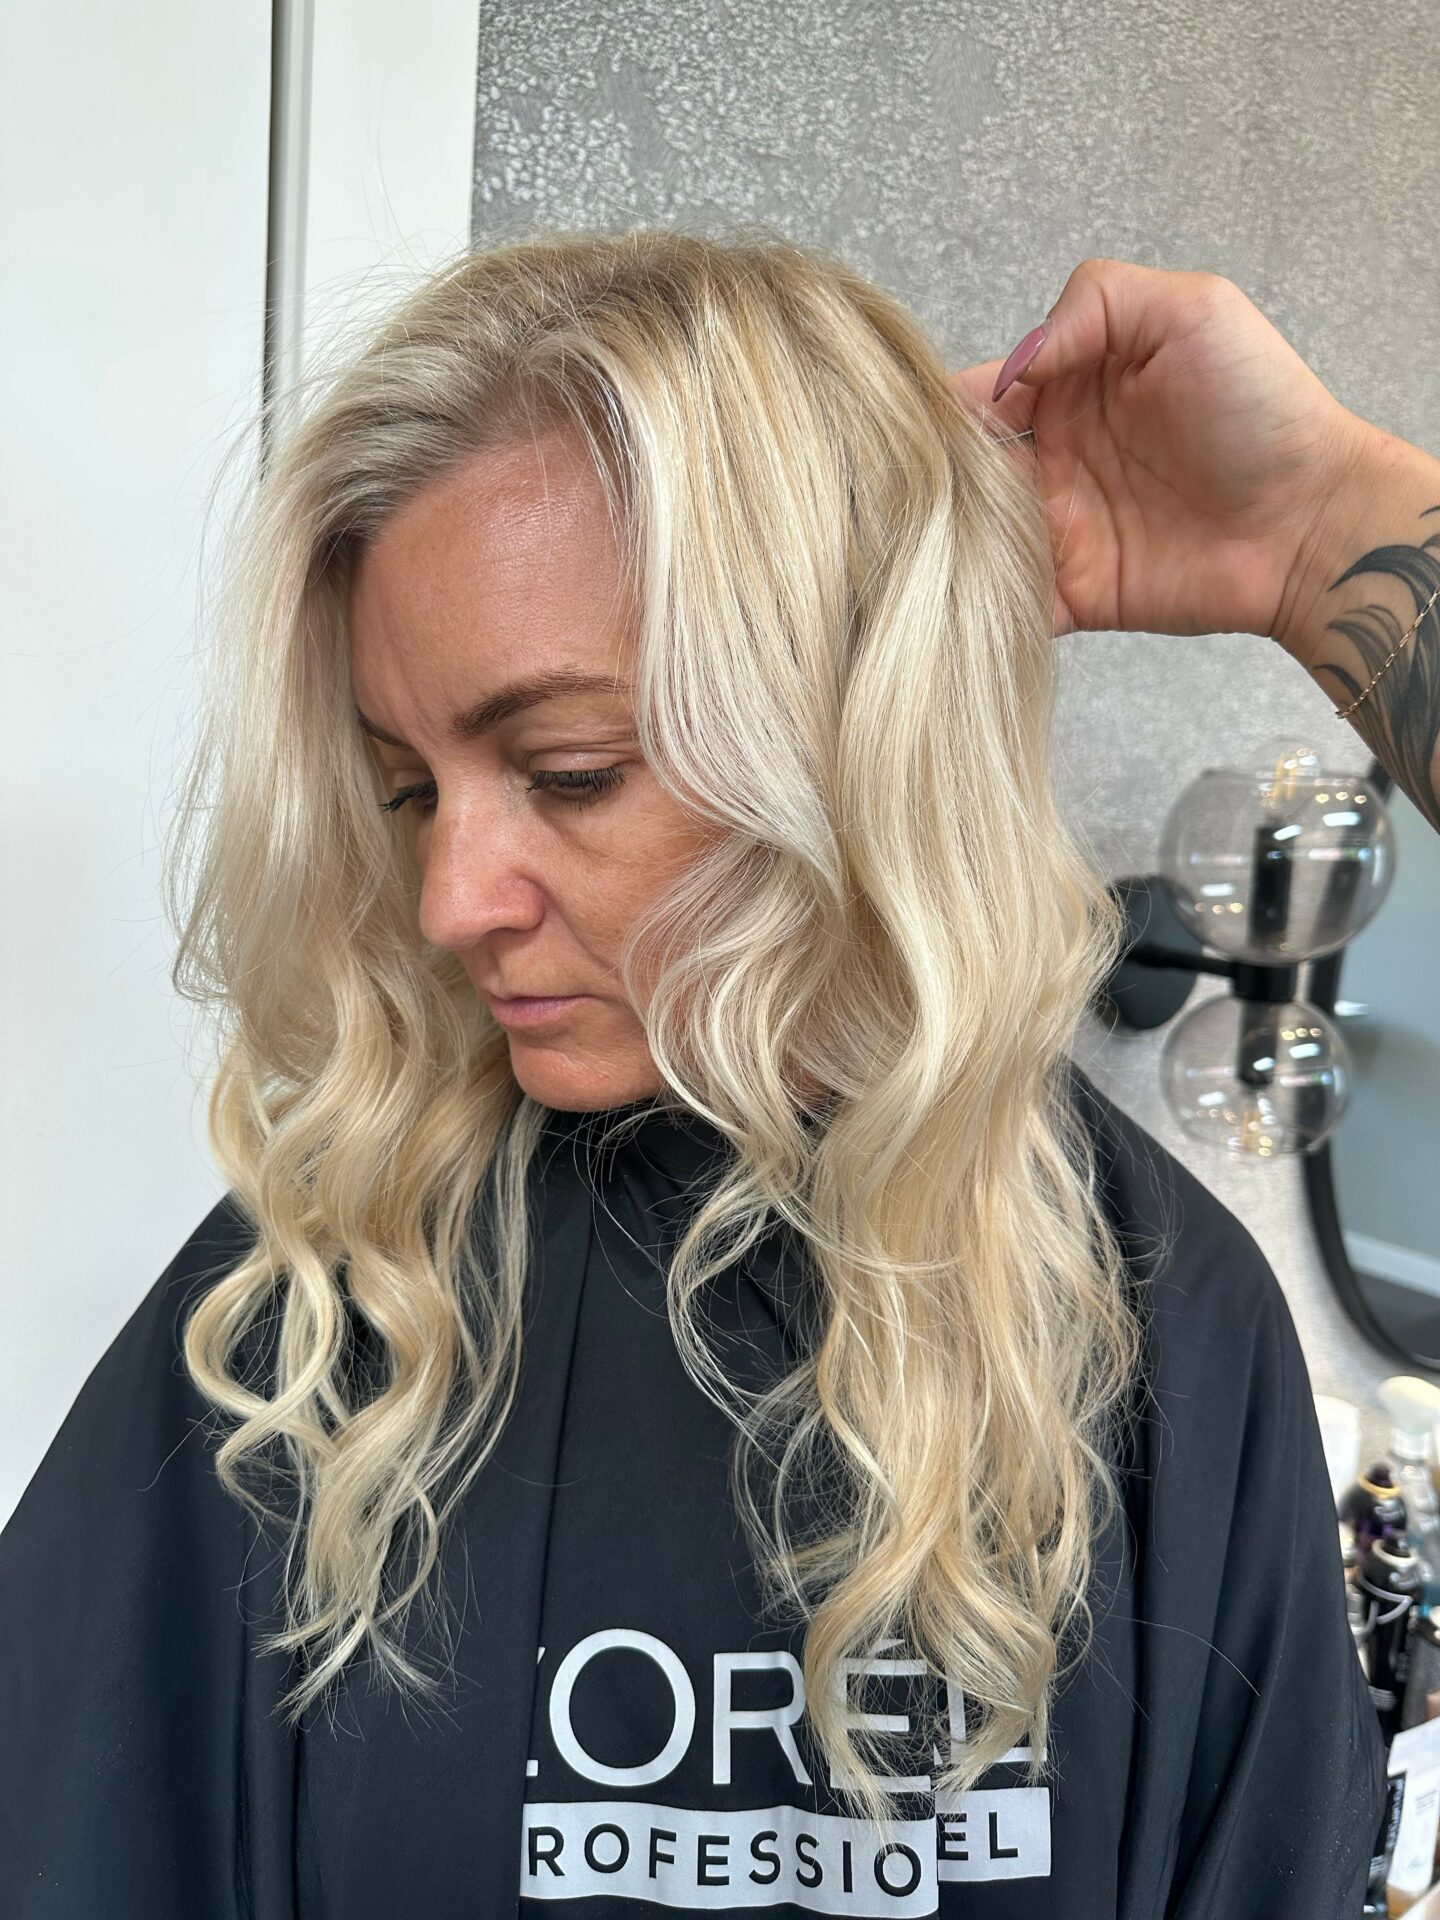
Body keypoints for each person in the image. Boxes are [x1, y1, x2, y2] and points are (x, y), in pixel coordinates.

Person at [0, 229, 1401, 1919]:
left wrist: (1327, 534)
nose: (450, 901)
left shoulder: (1158, 1316)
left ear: (851, 738)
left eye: (568, 770)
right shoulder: (332, 1304)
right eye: (409, 791)